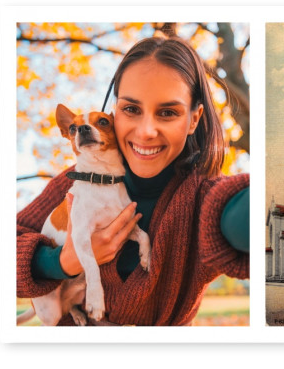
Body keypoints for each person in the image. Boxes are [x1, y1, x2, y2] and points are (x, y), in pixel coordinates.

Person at [16, 36, 249, 326]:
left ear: (193, 119)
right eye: (131, 109)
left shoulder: (203, 197)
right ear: (114, 113)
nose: (145, 131)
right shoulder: (72, 182)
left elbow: (242, 217)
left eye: (167, 112)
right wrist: (61, 262)